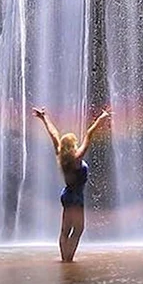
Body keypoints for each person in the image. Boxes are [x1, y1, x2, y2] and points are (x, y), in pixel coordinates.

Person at [32, 105, 111, 261]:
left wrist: (44, 118)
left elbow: (54, 135)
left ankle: (64, 258)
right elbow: (89, 135)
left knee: (65, 229)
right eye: (75, 143)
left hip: (66, 194)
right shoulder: (76, 159)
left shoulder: (62, 156)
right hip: (75, 197)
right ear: (73, 146)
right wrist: (101, 120)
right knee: (79, 229)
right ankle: (68, 259)